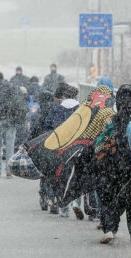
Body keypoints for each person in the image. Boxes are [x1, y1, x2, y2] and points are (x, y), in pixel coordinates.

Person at [93, 84, 131, 244]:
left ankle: (109, 227)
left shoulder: (114, 119)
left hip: (114, 165)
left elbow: (100, 141)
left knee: (108, 195)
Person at [44, 83, 82, 218]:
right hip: (76, 147)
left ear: (64, 96)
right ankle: (77, 202)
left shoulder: (56, 109)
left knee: (62, 177)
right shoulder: (80, 109)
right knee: (76, 175)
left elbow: (48, 127)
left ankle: (63, 207)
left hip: (60, 147)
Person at [0, 72, 28, 179]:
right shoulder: (11, 88)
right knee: (10, 146)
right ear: (3, 78)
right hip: (11, 120)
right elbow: (19, 101)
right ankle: (9, 171)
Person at [28, 91, 60, 212]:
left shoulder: (38, 114)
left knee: (44, 174)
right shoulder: (56, 111)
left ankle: (44, 196)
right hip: (55, 146)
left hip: (42, 148)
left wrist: (28, 143)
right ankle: (54, 200)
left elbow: (33, 130)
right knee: (54, 174)